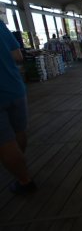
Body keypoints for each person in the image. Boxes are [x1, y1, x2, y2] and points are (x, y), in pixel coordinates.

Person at [0, 20, 36, 194]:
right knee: (19, 131)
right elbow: (18, 57)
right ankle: (18, 160)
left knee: (5, 143)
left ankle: (24, 180)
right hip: (15, 88)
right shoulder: (0, 26)